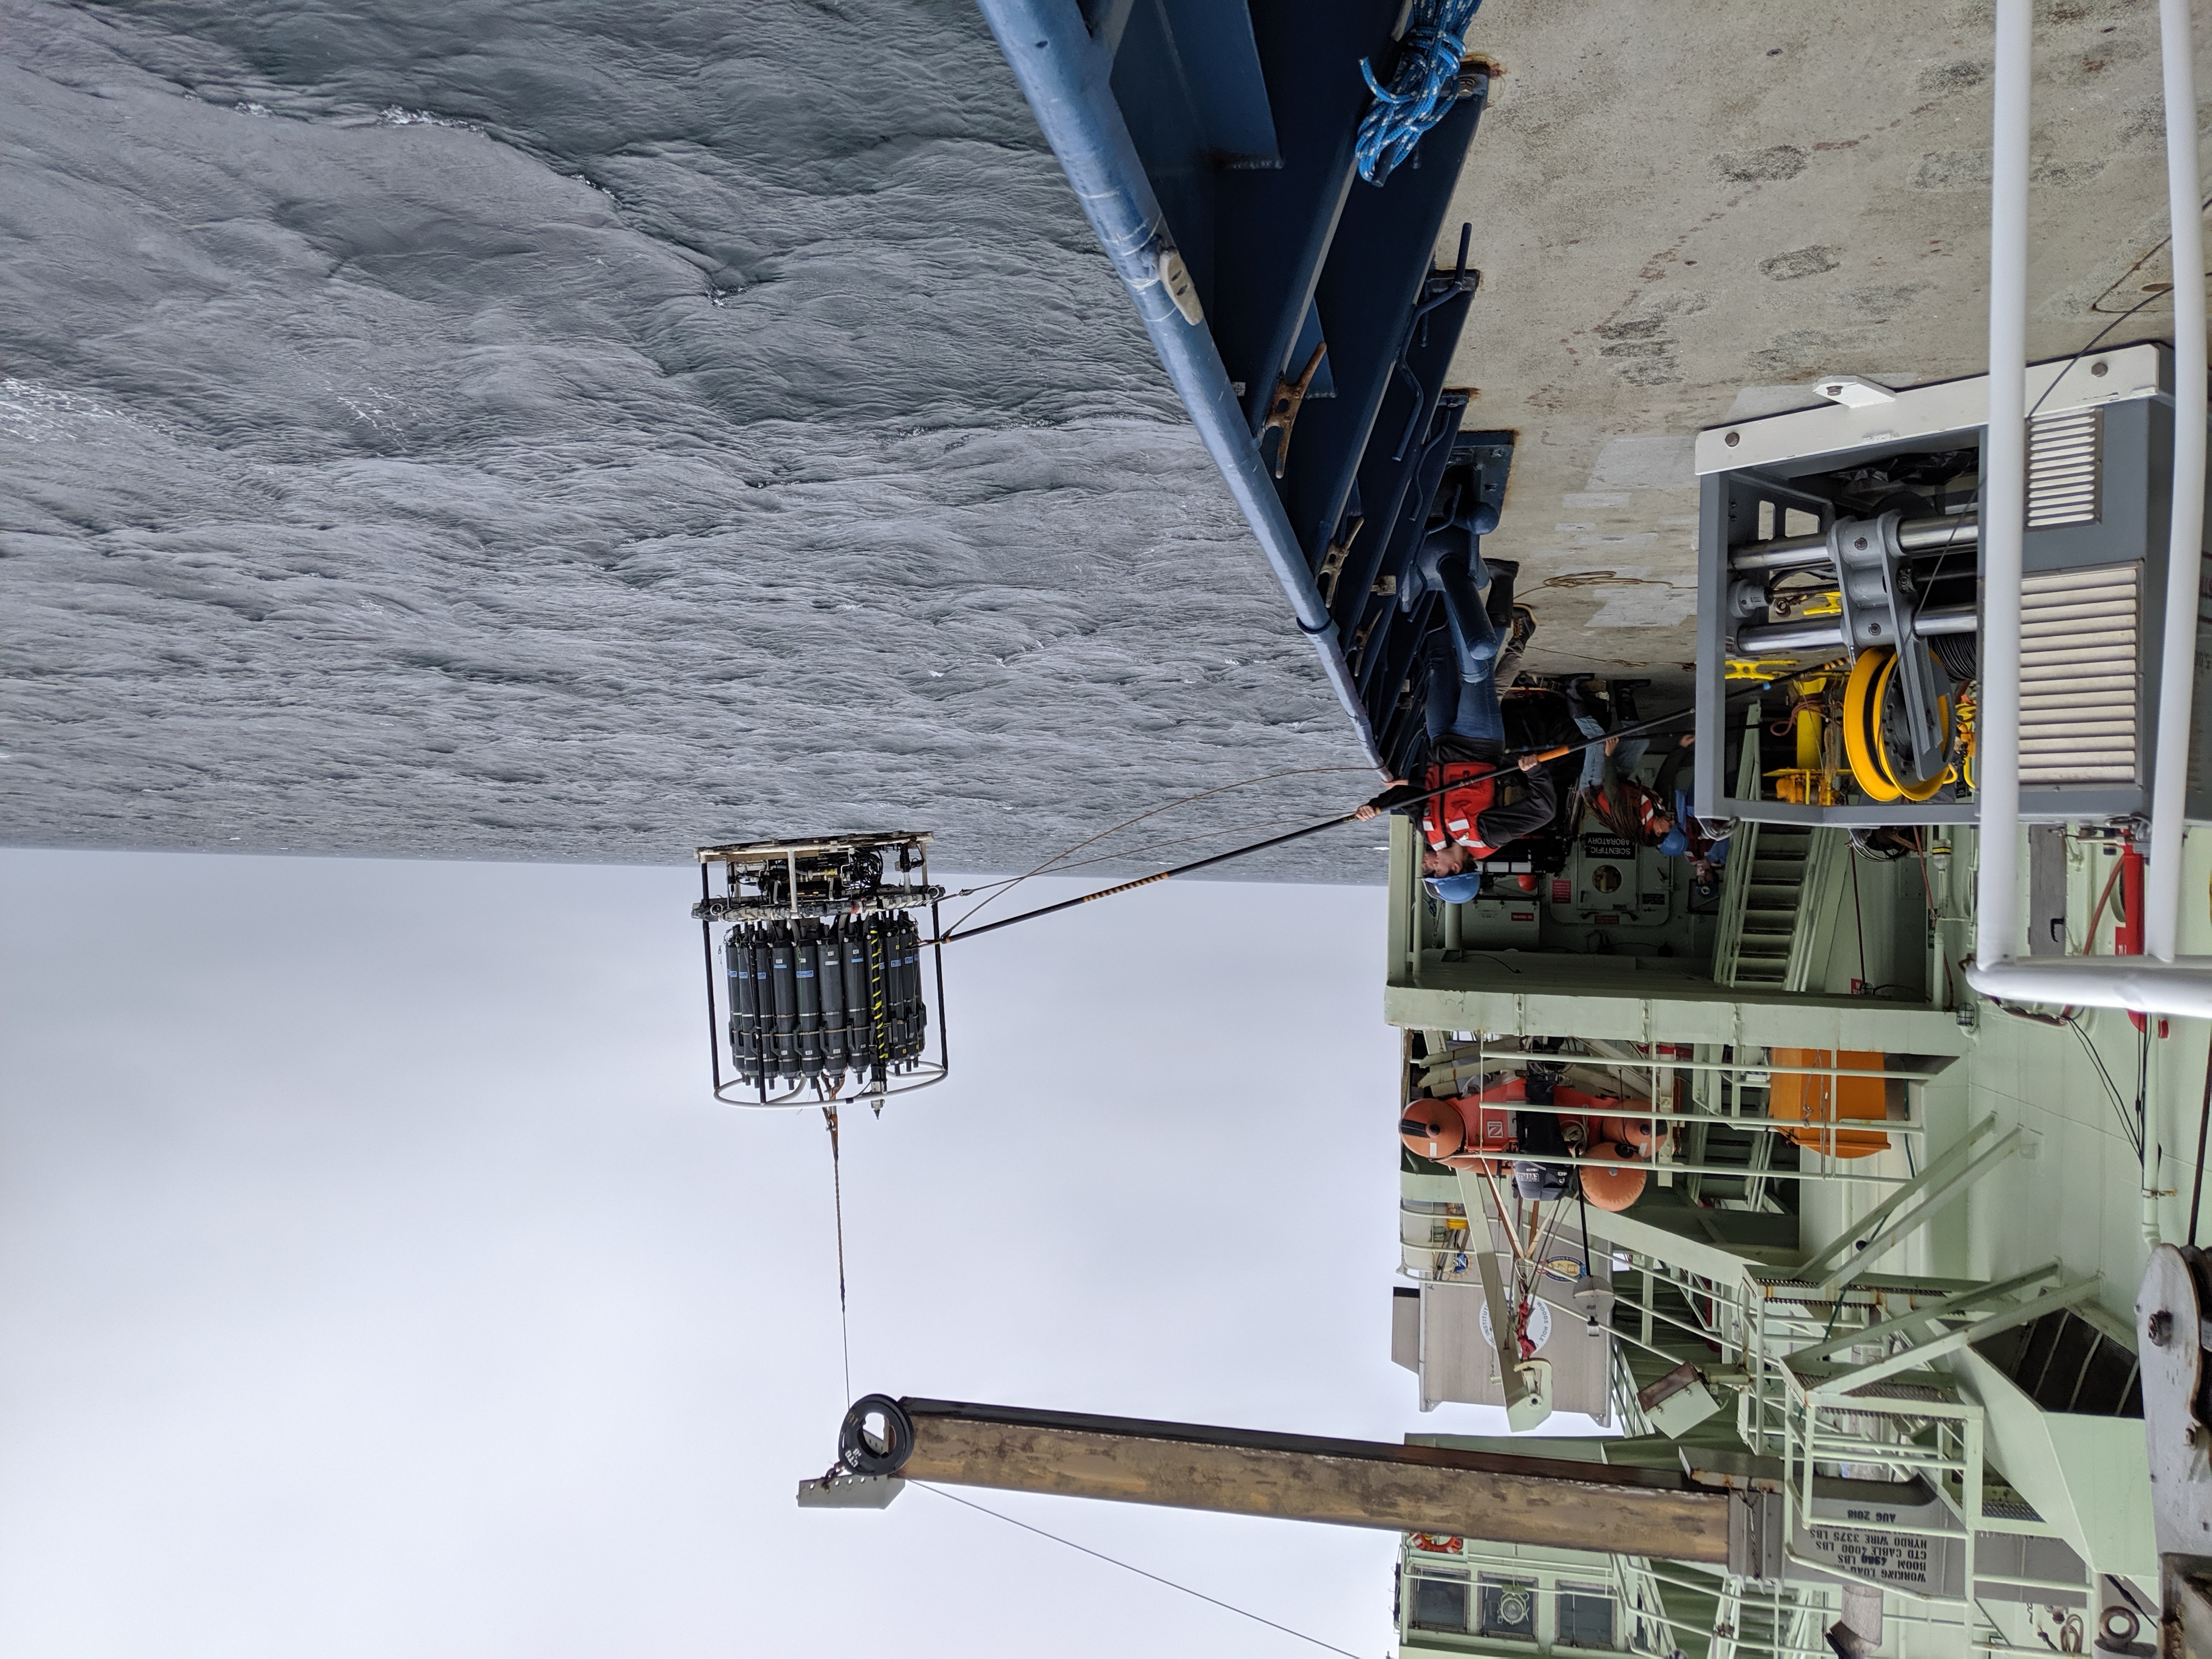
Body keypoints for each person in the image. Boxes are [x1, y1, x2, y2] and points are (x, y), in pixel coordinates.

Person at [1353, 532, 1556, 901]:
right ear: (1457, 868)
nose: (1427, 866)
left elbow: (1413, 801)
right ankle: (1467, 575)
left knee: (1438, 658)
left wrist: (1376, 807)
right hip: (1479, 740)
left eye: (1427, 872)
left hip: (1441, 741)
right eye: (1436, 872)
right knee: (1477, 667)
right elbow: (1543, 810)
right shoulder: (1488, 837)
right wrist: (1535, 772)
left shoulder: (1431, 834)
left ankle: (1453, 581)